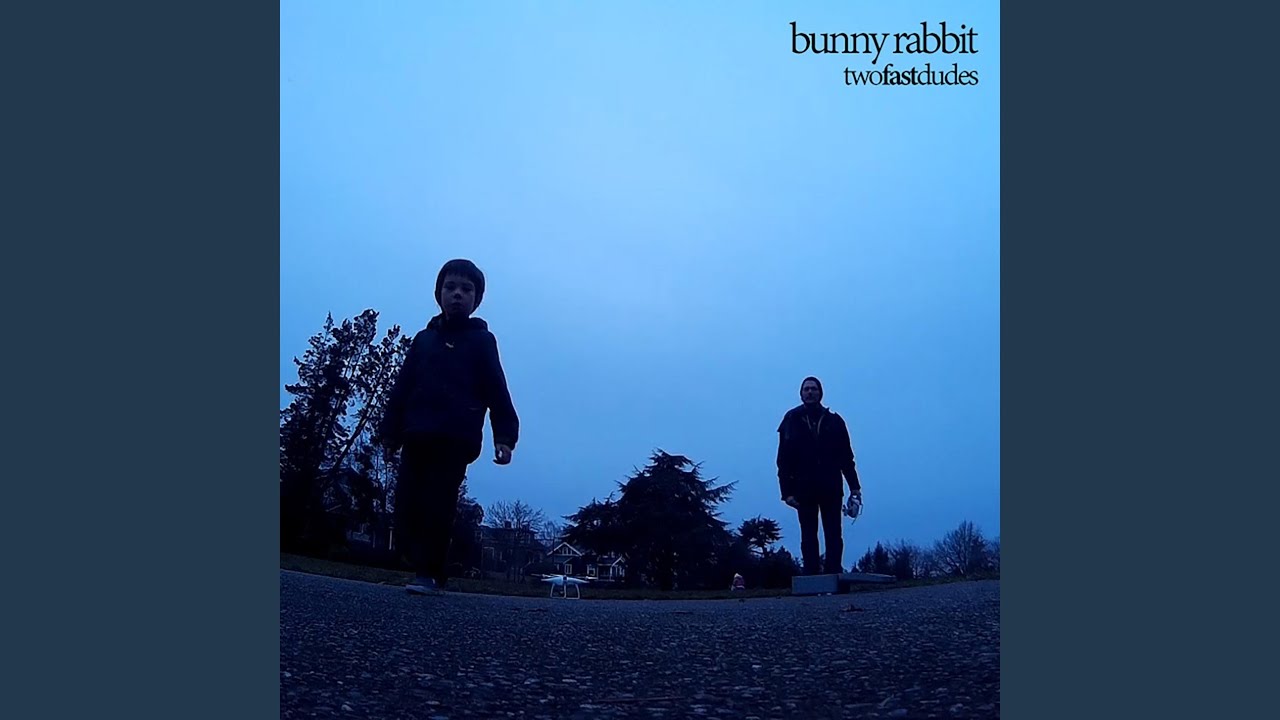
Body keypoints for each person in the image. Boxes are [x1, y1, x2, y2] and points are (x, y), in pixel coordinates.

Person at [379, 258, 520, 595]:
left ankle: (429, 573)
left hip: (455, 438)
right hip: (417, 433)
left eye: (466, 289)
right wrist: (390, 433)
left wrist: (504, 436)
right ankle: (418, 563)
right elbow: (402, 387)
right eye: (450, 287)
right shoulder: (423, 341)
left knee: (438, 504)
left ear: (476, 300)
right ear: (439, 294)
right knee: (407, 504)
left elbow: (496, 388)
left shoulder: (482, 341)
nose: (457, 294)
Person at [776, 376, 862, 575]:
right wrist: (786, 493)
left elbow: (846, 458)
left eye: (813, 389)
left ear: (820, 393)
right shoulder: (791, 420)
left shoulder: (835, 421)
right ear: (801, 393)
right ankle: (811, 575)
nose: (810, 392)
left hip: (831, 486)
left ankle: (834, 573)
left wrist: (855, 487)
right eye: (806, 389)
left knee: (834, 533)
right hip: (803, 488)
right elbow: (783, 460)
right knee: (808, 534)